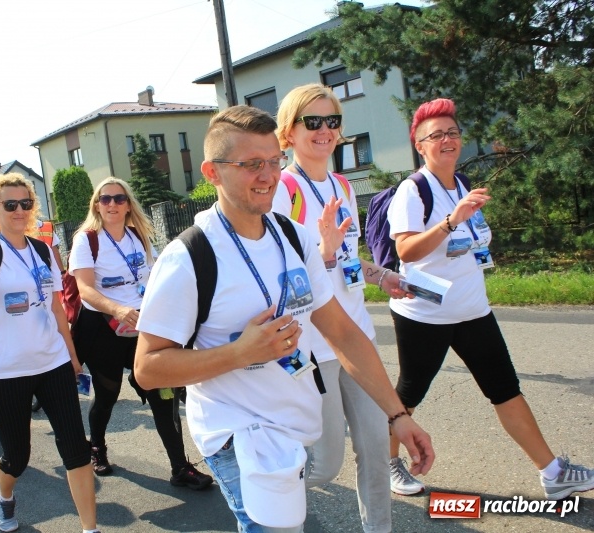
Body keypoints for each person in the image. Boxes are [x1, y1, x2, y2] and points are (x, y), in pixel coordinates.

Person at [134, 105, 434, 532]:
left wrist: (398, 415)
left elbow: (343, 334)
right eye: (251, 164)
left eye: (273, 160)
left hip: (293, 425)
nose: (268, 175)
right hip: (237, 434)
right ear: (212, 172)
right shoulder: (188, 257)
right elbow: (147, 369)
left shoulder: (294, 236)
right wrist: (240, 353)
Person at [386, 97, 593, 501]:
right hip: (425, 313)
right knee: (407, 395)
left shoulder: (462, 185)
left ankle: (552, 472)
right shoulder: (413, 190)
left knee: (505, 388)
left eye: (453, 132)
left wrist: (463, 217)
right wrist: (451, 221)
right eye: (436, 135)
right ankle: (388, 461)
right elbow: (406, 251)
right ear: (420, 145)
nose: (447, 140)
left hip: (473, 310)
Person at [271, 83, 412, 530]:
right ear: (289, 131)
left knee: (374, 448)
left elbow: (347, 257)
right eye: (312, 122)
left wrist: (381, 274)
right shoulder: (282, 189)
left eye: (332, 121)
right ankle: (259, 484)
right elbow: (279, 274)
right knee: (326, 465)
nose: (325, 130)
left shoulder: (343, 186)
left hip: (358, 338)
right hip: (316, 346)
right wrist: (324, 254)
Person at [0, 173, 99, 533]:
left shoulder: (42, 250)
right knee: (17, 457)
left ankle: (90, 529)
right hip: (5, 371)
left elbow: (56, 308)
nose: (19, 211)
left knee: (77, 451)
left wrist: (73, 355)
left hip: (53, 363)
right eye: (10, 204)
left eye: (26, 203)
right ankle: (3, 495)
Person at [69, 177, 213, 490]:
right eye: (105, 199)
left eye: (119, 199)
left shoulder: (138, 236)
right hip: (103, 330)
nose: (112, 205)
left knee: (163, 395)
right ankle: (97, 447)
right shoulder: (87, 239)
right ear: (96, 204)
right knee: (106, 395)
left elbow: (156, 275)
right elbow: (84, 290)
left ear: (128, 204)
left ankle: (179, 467)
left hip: (142, 328)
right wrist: (117, 309)